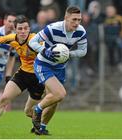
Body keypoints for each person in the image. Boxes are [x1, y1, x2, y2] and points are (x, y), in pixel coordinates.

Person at [0, 15, 57, 135]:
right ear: (15, 29)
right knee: (4, 99)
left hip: (38, 77)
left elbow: (51, 48)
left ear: (29, 28)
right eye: (20, 29)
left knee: (29, 112)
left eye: (25, 28)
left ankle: (40, 124)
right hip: (23, 74)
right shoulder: (12, 38)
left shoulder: (36, 38)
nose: (23, 31)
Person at [28, 6, 87, 134]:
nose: (77, 23)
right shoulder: (52, 28)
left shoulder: (81, 31)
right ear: (66, 18)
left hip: (59, 68)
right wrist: (45, 51)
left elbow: (83, 51)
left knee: (55, 100)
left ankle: (40, 127)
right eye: (74, 19)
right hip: (43, 64)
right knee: (60, 93)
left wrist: (68, 54)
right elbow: (32, 42)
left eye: (79, 20)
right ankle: (37, 109)